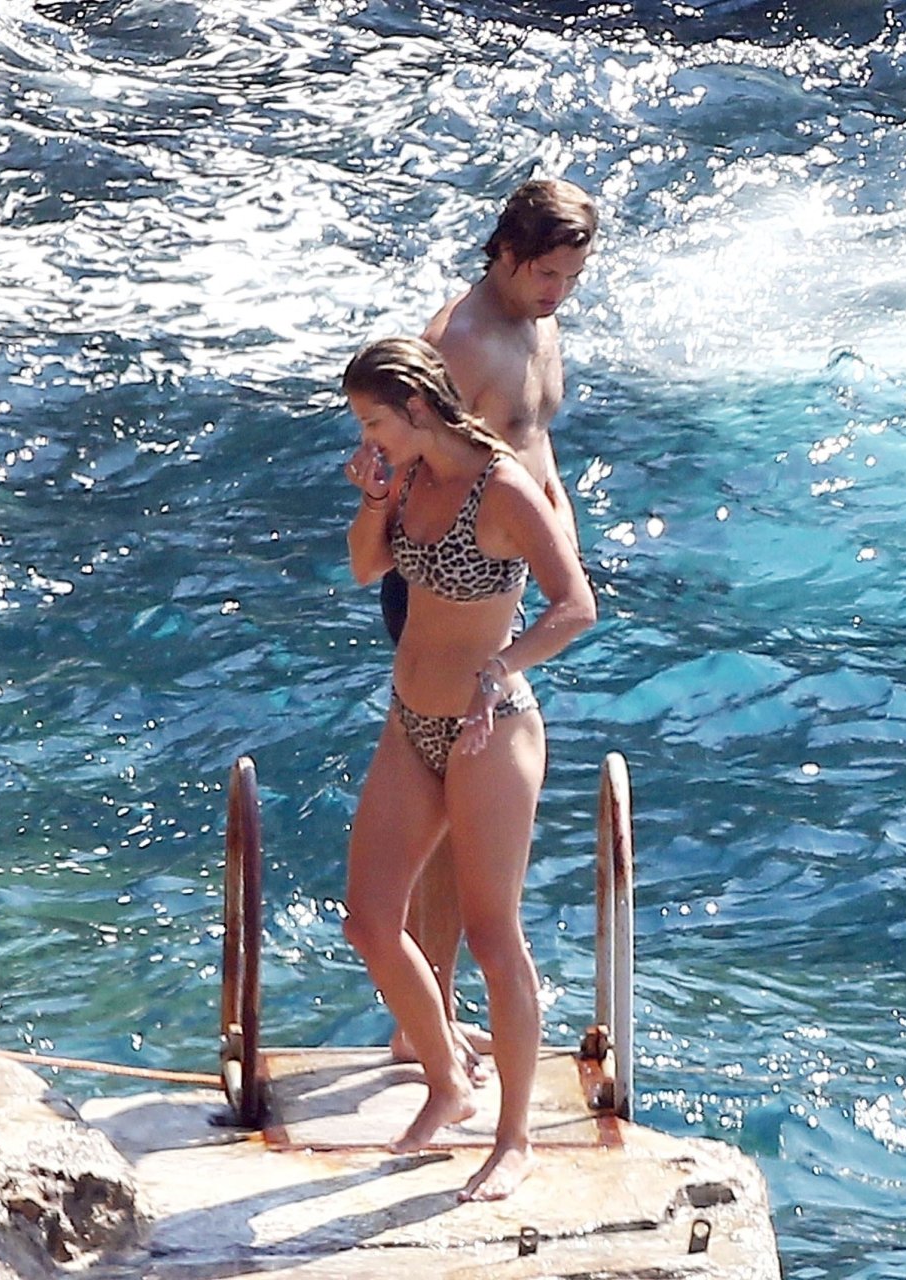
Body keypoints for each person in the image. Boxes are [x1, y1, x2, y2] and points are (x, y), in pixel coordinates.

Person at [342, 337, 596, 1200]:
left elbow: (576, 605)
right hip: (409, 720)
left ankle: (513, 1139)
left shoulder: (503, 485)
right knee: (369, 921)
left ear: (416, 408)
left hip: (492, 732)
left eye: (374, 422)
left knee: (492, 937)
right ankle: (446, 1078)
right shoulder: (409, 476)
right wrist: (375, 494)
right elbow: (367, 566)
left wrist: (502, 666)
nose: (368, 439)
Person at [381, 178, 598, 1068]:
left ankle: (427, 1015)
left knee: (464, 795)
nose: (559, 292)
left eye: (572, 277)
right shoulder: (458, 341)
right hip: (451, 586)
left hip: (510, 571)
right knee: (443, 797)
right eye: (547, 274)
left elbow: (534, 443)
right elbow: (398, 454)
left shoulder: (539, 323)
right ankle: (422, 1018)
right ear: (505, 252)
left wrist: (559, 536)